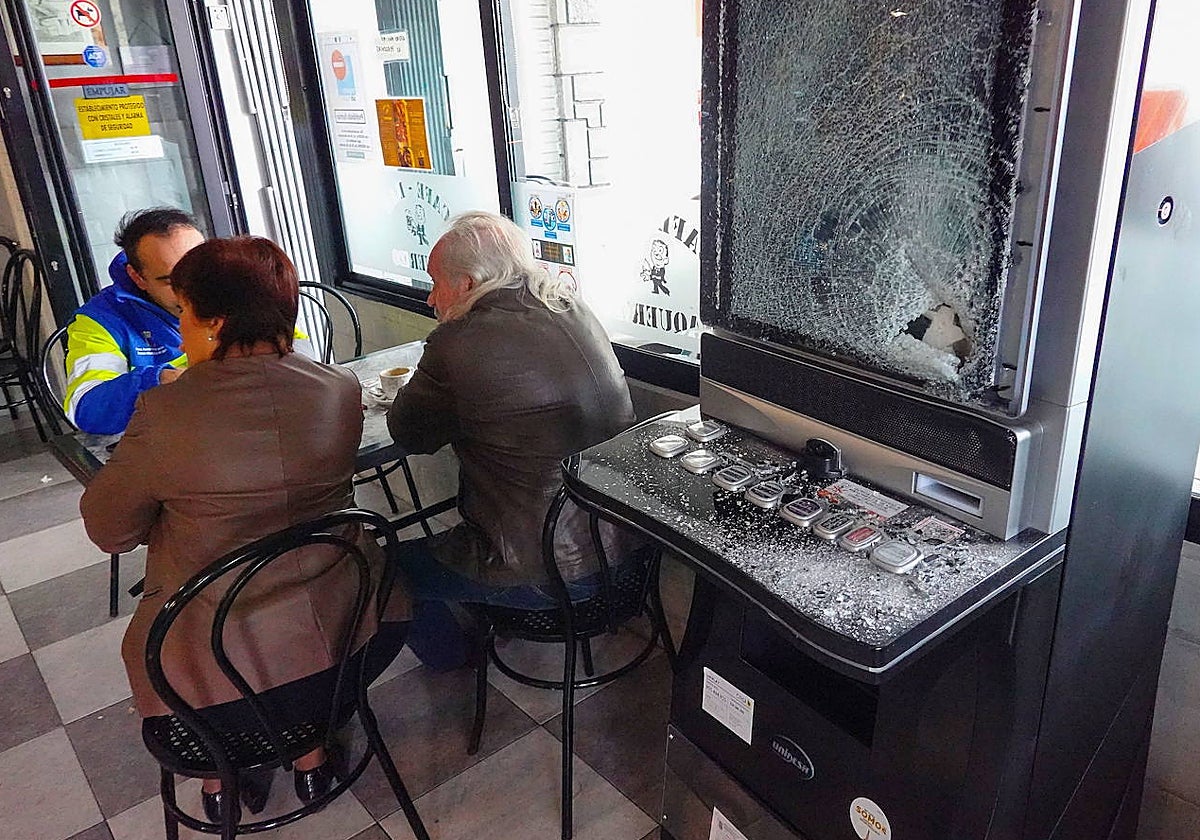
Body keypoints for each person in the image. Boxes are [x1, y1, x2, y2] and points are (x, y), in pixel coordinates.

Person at [79, 236, 409, 823]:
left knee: (199, 635)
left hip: (215, 674)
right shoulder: (339, 388)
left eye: (184, 310)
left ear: (215, 323)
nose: (180, 325)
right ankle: (310, 757)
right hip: (353, 634)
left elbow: (109, 531)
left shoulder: (165, 412)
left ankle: (220, 776)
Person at [386, 211, 644, 663]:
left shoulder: (456, 343)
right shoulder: (573, 308)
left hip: (545, 576)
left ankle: (456, 657)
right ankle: (478, 613)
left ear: (467, 283)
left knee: (384, 569)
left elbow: (408, 434)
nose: (430, 297)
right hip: (630, 554)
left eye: (436, 283)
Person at [64, 208, 203, 434]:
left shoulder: (239, 290)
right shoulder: (100, 320)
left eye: (201, 272)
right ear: (137, 277)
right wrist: (158, 380)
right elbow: (88, 409)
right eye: (171, 281)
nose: (192, 289)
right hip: (165, 441)